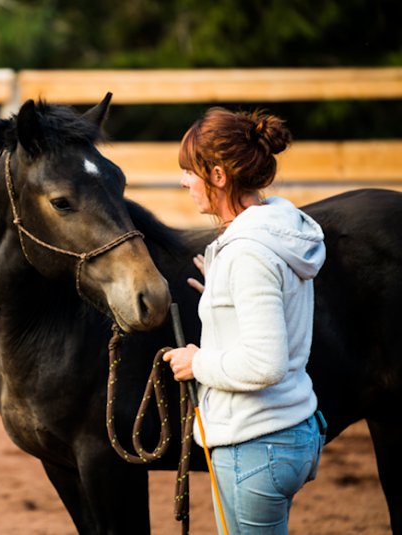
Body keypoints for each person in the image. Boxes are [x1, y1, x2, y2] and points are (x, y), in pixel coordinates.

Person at [163, 107, 327, 534]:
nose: (184, 182)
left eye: (189, 171)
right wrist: (220, 294)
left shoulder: (248, 252)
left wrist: (195, 363)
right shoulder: (274, 232)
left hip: (256, 444)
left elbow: (264, 363)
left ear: (218, 175)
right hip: (288, 432)